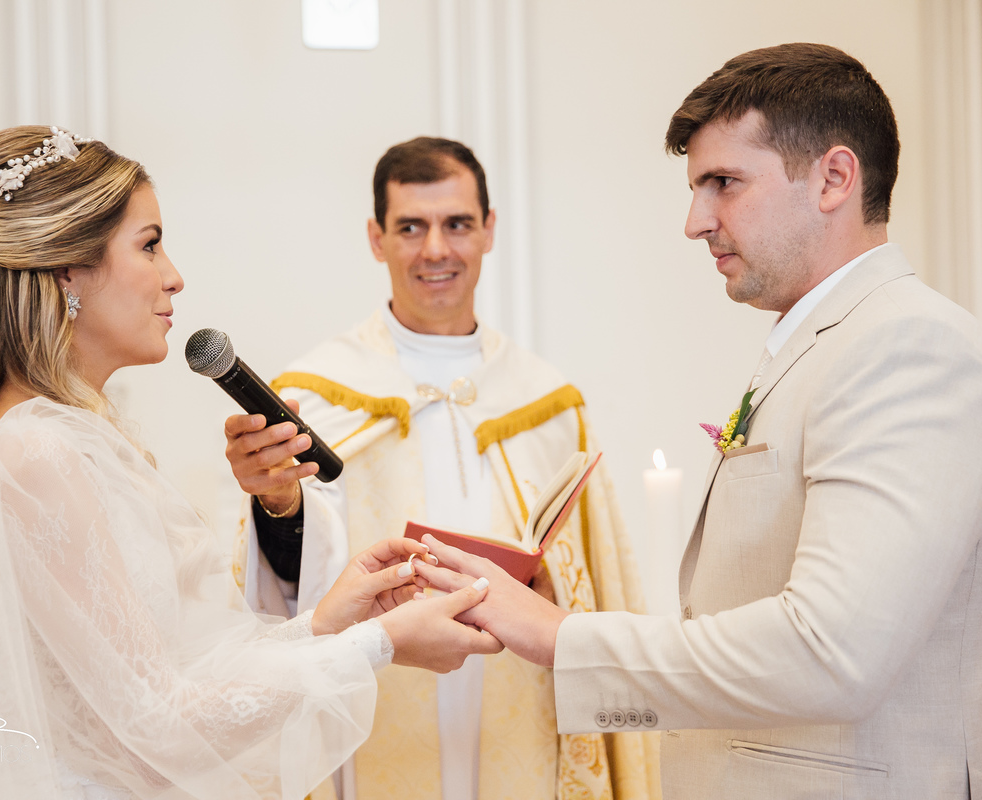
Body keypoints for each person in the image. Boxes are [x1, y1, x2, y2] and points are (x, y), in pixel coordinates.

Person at [412, 43, 982, 800]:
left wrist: (557, 638)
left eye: (724, 184)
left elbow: (831, 651)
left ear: (835, 178)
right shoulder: (823, 344)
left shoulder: (912, 349)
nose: (695, 222)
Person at [0, 125, 503, 800]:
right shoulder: (29, 452)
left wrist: (328, 622)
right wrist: (383, 643)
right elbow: (158, 729)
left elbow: (163, 683)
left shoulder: (76, 438)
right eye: (151, 245)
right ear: (69, 267)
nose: (174, 276)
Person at [223, 137, 657, 799]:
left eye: (456, 224)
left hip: (519, 718)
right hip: (378, 726)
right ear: (377, 238)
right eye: (410, 228)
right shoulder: (314, 398)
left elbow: (591, 587)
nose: (435, 250)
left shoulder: (545, 402)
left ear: (489, 230)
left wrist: (547, 591)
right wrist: (277, 505)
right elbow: (294, 594)